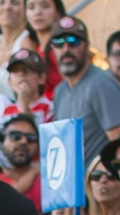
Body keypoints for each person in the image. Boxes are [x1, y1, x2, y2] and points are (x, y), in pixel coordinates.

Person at [49, 15, 120, 146]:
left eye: (73, 42)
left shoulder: (101, 84)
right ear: (52, 49)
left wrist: (102, 165)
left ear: (87, 46)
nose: (66, 49)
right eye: (58, 43)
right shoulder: (60, 90)